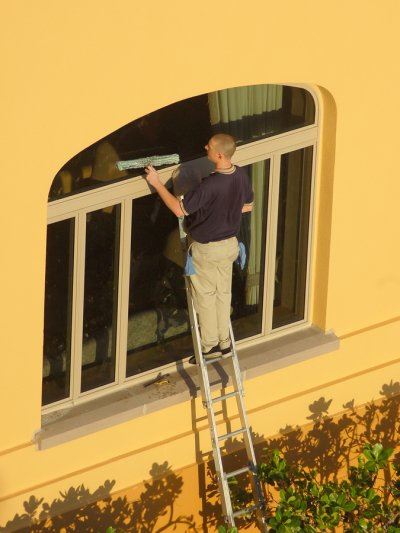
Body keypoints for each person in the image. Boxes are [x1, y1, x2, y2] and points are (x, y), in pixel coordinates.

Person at [144, 133, 254, 363]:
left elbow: (178, 210)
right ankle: (225, 343)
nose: (205, 146)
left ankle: (209, 346)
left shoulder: (210, 185)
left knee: (205, 296)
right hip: (230, 246)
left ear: (220, 154)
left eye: (210, 146)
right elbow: (247, 206)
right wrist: (225, 211)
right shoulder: (241, 175)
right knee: (223, 294)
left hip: (207, 249)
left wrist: (156, 183)